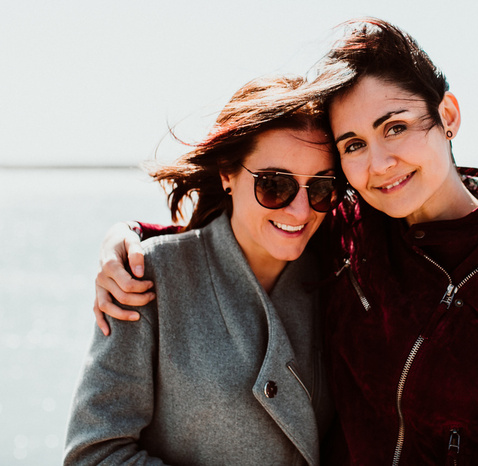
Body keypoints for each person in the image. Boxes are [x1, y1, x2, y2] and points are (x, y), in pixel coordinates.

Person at [92, 19, 478, 466]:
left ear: (449, 116)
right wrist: (131, 242)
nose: (378, 165)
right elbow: (253, 232)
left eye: (395, 127)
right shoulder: (347, 224)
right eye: (353, 144)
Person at [64, 75, 340, 465]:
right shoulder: (148, 277)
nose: (300, 210)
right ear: (228, 173)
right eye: (274, 185)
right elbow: (94, 455)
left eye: (320, 188)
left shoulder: (341, 281)